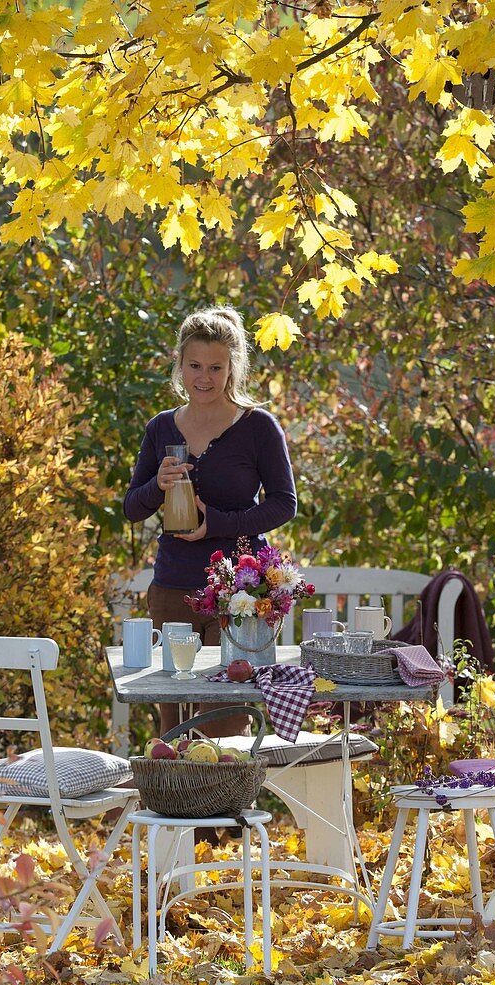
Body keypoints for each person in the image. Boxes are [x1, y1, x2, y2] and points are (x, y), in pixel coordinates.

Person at [124, 306, 297, 735]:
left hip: (239, 595)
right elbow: (133, 508)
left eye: (215, 367)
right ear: (180, 364)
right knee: (175, 726)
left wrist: (216, 524)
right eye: (195, 365)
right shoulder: (160, 428)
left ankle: (226, 805)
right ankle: (175, 800)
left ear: (232, 367)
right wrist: (156, 486)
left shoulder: (259, 427)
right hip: (172, 592)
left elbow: (283, 503)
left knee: (227, 723)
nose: (203, 377)